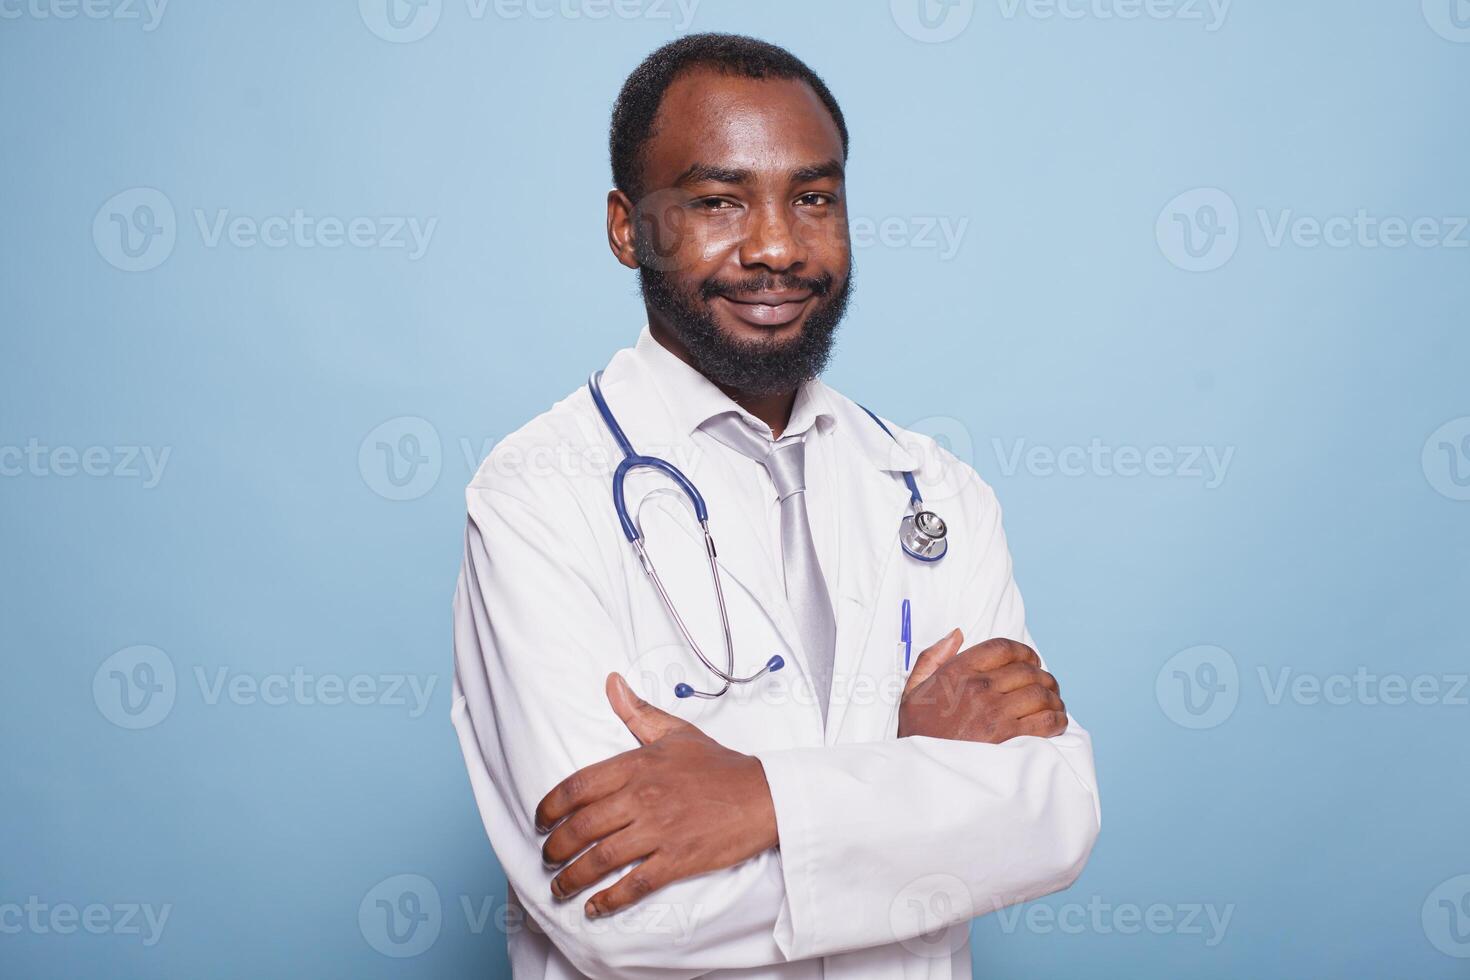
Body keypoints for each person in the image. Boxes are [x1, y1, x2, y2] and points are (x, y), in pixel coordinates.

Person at [450, 32, 1101, 980]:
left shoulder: (935, 490)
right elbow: (621, 910)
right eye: (719, 201)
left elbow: (1053, 819)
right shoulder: (535, 499)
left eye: (813, 198)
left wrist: (757, 799)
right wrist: (922, 787)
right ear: (627, 227)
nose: (777, 248)